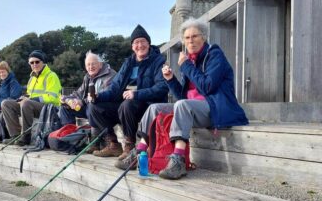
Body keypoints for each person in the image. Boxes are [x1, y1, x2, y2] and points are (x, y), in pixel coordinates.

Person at [115, 18, 249, 179]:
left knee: (183, 105)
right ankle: (139, 152)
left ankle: (178, 159)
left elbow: (207, 87)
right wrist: (171, 79)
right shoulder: (191, 60)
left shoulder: (214, 55)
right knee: (155, 108)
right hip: (193, 109)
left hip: (216, 108)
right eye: (186, 38)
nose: (190, 41)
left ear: (204, 37)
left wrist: (185, 66)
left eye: (195, 36)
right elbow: (182, 97)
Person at [88, 25, 169, 158]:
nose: (140, 45)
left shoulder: (158, 61)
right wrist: (98, 96)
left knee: (127, 104)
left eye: (143, 41)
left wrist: (136, 94)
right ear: (132, 47)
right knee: (94, 107)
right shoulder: (128, 63)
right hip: (126, 108)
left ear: (149, 43)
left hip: (147, 105)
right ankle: (113, 144)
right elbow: (115, 89)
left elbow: (162, 88)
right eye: (136, 42)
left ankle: (129, 145)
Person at [59, 50, 116, 153]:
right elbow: (79, 93)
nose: (90, 67)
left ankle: (95, 142)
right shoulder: (87, 77)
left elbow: (100, 95)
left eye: (93, 64)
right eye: (88, 65)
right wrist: (67, 99)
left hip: (106, 109)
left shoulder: (110, 74)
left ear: (100, 64)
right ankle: (72, 140)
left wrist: (82, 102)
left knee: (91, 105)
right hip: (89, 107)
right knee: (65, 108)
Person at [1, 50, 62, 146]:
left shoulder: (51, 76)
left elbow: (52, 97)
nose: (34, 64)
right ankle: (15, 136)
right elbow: (30, 95)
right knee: (6, 103)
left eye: (37, 62)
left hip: (50, 109)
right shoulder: (31, 78)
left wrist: (30, 100)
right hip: (32, 107)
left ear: (43, 62)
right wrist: (24, 97)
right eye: (31, 63)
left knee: (26, 103)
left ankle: (25, 137)